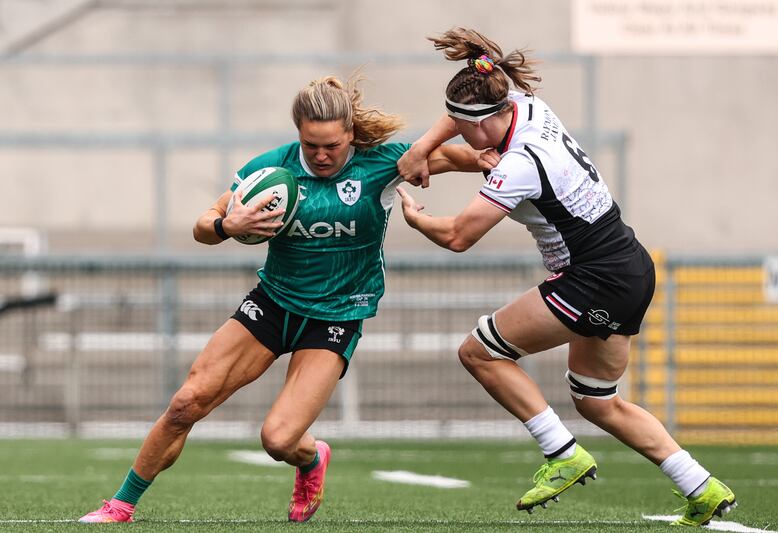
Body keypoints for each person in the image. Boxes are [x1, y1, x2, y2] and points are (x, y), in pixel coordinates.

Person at [78, 75, 479, 524]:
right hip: (271, 305)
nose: (322, 155)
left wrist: (501, 160)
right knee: (186, 403)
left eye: (332, 145)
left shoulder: (383, 162)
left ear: (350, 133)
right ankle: (121, 505)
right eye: (312, 145)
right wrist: (226, 225)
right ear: (299, 135)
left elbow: (469, 155)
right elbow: (203, 224)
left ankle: (310, 459)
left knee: (279, 439)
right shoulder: (273, 172)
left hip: (336, 316)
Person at [396, 28, 737, 527]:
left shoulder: (521, 163)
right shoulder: (526, 103)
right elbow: (460, 117)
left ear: (489, 119)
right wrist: (424, 148)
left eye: (464, 127)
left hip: (595, 278)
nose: (458, 133)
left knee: (479, 351)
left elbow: (457, 237)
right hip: (631, 263)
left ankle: (561, 454)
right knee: (596, 401)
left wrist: (416, 219)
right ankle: (702, 488)